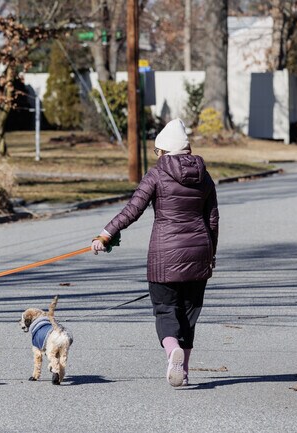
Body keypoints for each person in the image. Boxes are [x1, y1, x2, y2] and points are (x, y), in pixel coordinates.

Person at [91, 118, 219, 387]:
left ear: (162, 151)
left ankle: (171, 349)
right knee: (189, 314)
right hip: (199, 256)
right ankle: (182, 369)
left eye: (156, 151)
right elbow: (213, 220)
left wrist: (106, 234)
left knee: (165, 311)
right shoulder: (204, 176)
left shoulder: (157, 174)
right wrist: (211, 256)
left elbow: (132, 210)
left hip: (165, 257)